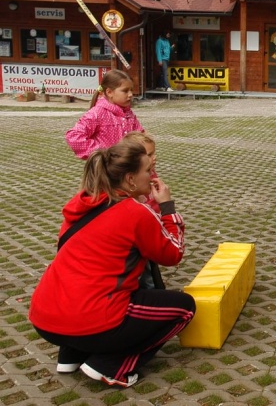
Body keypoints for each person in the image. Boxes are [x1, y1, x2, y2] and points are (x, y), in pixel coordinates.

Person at [28, 139, 195, 387]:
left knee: (91, 284)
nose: (151, 177)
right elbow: (173, 254)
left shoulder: (81, 203)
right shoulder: (134, 212)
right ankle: (112, 365)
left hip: (44, 319)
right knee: (184, 307)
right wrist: (167, 207)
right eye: (147, 171)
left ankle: (71, 354)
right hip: (93, 320)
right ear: (129, 179)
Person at [65, 70, 144, 160]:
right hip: (106, 170)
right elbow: (74, 136)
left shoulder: (128, 114)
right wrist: (102, 153)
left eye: (131, 90)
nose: (130, 95)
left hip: (127, 168)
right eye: (125, 91)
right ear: (109, 92)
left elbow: (141, 136)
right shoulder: (97, 113)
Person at [122, 131, 164, 290]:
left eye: (154, 153)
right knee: (144, 273)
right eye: (149, 154)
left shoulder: (150, 173)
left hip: (153, 227)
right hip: (141, 235)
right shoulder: (133, 183)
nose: (154, 158)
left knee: (150, 267)